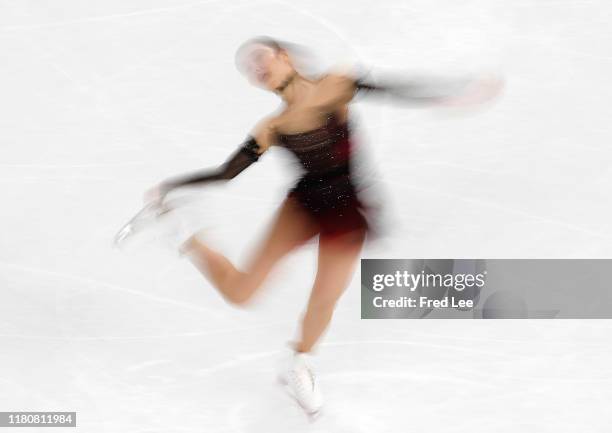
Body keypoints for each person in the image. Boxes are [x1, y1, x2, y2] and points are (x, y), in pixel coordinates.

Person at [143, 36, 502, 416]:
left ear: (286, 56)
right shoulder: (272, 126)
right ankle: (185, 235)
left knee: (325, 296)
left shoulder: (336, 84)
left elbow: (397, 90)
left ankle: (298, 362)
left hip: (346, 212)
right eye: (250, 70)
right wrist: (170, 187)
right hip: (302, 207)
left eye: (261, 58)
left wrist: (453, 95)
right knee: (241, 292)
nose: (257, 69)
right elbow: (225, 173)